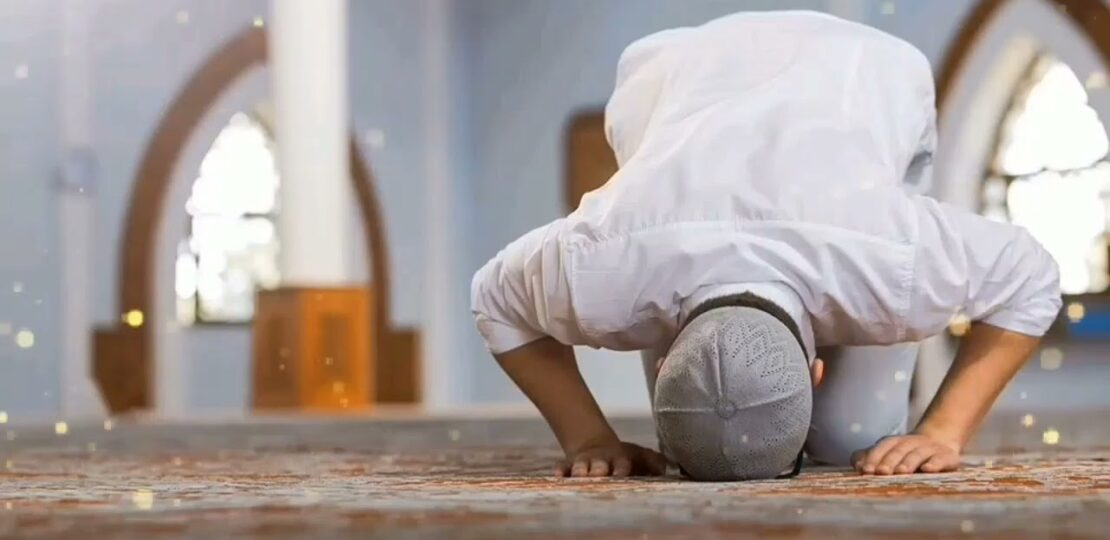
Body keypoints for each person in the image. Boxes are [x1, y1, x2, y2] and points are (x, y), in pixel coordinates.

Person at [470, 11, 1061, 481]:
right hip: (675, 73)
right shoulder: (607, 268)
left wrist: (943, 432)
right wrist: (588, 439)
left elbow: (1031, 280)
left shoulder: (891, 262)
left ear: (818, 370)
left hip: (867, 69)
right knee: (712, 425)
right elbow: (494, 300)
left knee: (851, 437)